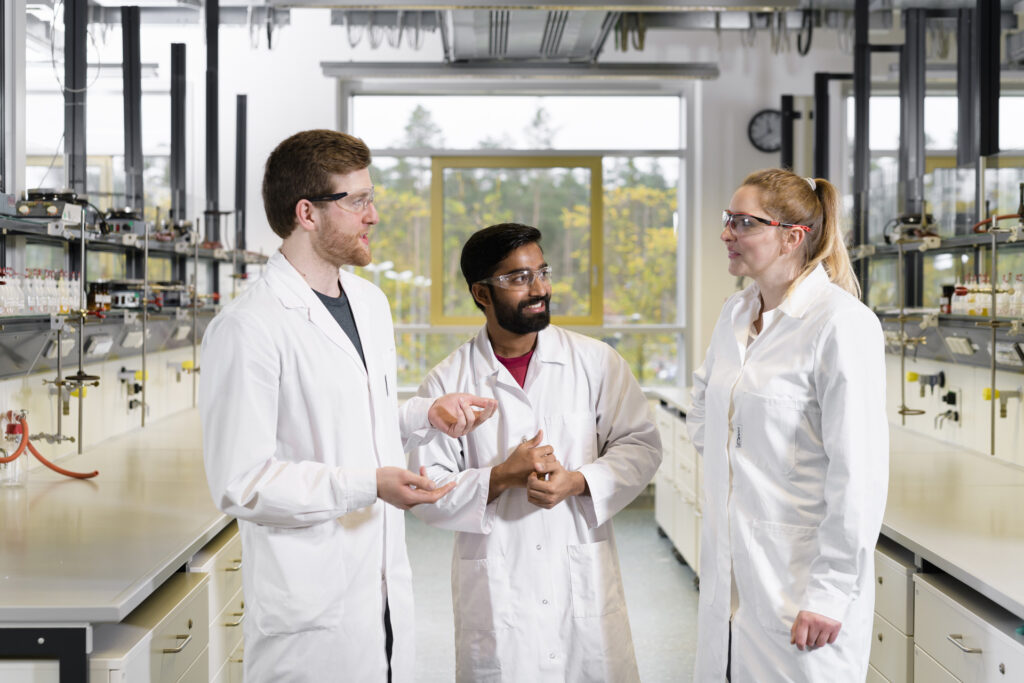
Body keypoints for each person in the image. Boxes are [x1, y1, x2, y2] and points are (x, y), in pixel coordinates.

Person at [200, 129, 496, 683]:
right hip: (311, 610)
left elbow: (359, 418)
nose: (374, 214)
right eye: (357, 200)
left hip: (381, 587)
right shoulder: (248, 328)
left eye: (371, 197)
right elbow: (242, 483)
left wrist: (423, 415)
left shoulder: (368, 302)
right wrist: (369, 485)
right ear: (307, 212)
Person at [407, 223, 662, 682]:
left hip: (579, 579)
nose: (540, 287)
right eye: (518, 278)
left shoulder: (595, 362)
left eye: (541, 271)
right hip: (499, 587)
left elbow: (640, 444)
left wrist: (579, 481)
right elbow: (428, 490)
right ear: (481, 294)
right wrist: (501, 475)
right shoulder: (447, 382)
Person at [687, 169, 888, 682]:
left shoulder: (841, 324)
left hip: (801, 587)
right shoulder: (735, 314)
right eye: (726, 219)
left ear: (792, 237)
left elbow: (859, 475)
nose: (726, 232)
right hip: (733, 577)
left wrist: (830, 592)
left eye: (743, 222)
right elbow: (705, 409)